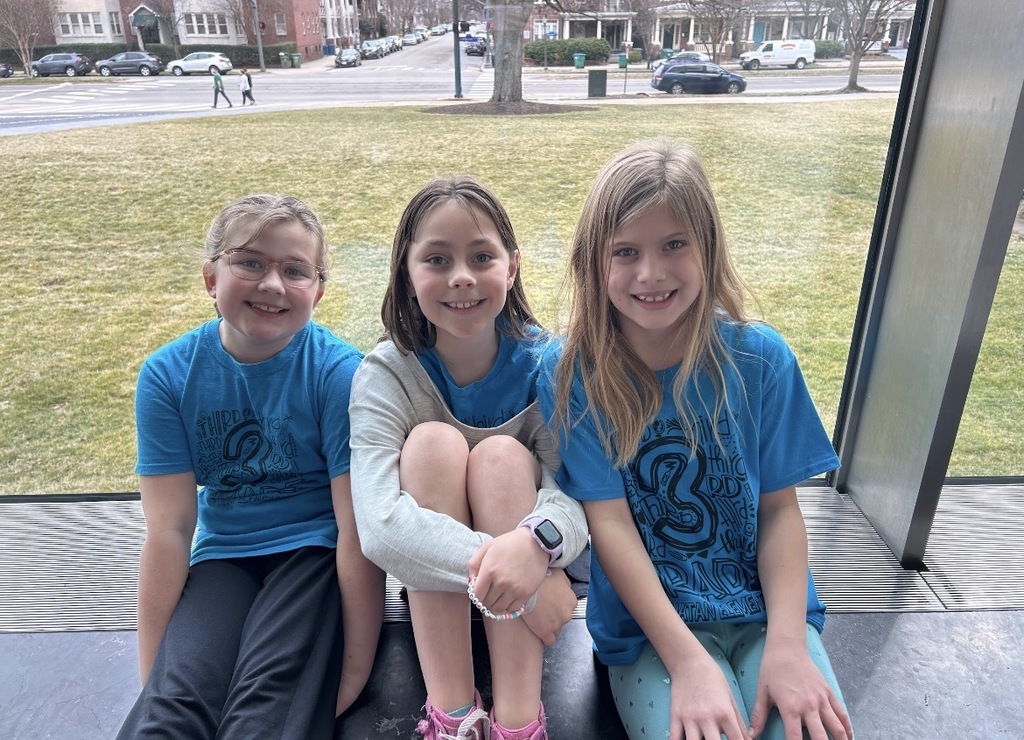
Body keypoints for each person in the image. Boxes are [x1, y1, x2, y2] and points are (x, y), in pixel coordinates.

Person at [539, 139, 854, 740]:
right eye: (625, 251)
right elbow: (610, 527)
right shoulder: (576, 374)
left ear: (708, 248)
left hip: (769, 616)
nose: (651, 273)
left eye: (674, 245)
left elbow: (780, 513)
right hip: (652, 634)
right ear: (592, 262)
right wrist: (688, 662)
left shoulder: (761, 360)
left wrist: (789, 647)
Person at [117, 194, 385, 740]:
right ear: (211, 277)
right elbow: (168, 533)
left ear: (319, 291)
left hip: (313, 551)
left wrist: (355, 666)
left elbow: (355, 532)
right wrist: (155, 680)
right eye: (250, 262)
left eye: (295, 270)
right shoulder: (168, 376)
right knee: (172, 714)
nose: (272, 284)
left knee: (266, 708)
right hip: (224, 556)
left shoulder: (339, 374)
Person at [348, 176, 590, 740]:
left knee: (502, 457)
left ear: (512, 267)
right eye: (437, 259)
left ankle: (518, 722)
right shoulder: (386, 374)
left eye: (481, 256)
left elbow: (577, 494)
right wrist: (518, 575)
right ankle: (453, 717)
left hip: (544, 569)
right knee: (432, 443)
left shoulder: (549, 365)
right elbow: (380, 528)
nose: (461, 276)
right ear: (407, 276)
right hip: (460, 582)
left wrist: (535, 549)